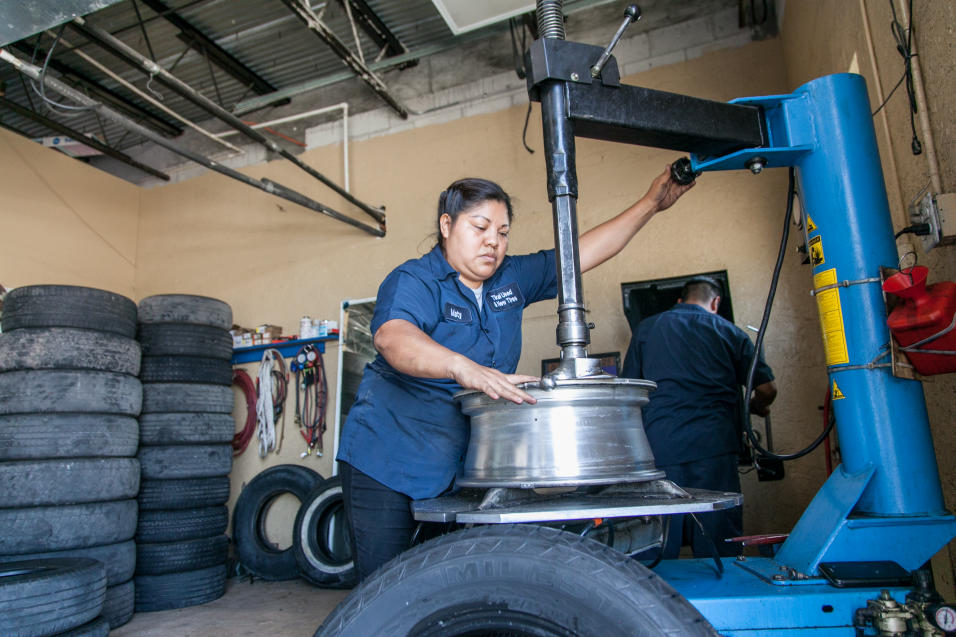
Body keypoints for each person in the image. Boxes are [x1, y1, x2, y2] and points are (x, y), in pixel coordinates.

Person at [336, 165, 694, 580]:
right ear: (447, 225)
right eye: (481, 226)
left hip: (459, 471)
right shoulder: (415, 280)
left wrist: (652, 203)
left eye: (503, 232)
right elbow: (392, 338)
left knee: (444, 587)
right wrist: (465, 368)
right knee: (385, 591)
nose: (493, 241)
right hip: (387, 462)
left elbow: (581, 254)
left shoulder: (512, 278)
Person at [621, 276, 777, 559]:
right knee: (718, 544)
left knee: (656, 541)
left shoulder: (647, 329)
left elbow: (630, 391)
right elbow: (767, 388)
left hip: (660, 446)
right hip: (714, 447)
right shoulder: (731, 333)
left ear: (679, 301)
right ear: (715, 302)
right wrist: (755, 407)